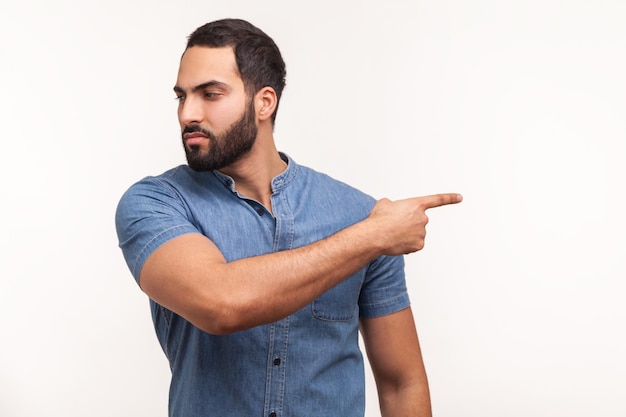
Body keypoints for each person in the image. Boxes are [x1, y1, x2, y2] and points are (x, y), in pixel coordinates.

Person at [115, 18, 461, 417]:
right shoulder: (156, 203)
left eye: (210, 94)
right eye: (181, 96)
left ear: (264, 102)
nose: (188, 113)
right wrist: (370, 237)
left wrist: (372, 231)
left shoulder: (360, 214)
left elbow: (402, 383)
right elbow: (220, 303)